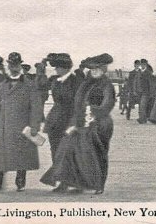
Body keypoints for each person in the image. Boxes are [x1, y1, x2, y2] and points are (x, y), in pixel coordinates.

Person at [41, 54, 116, 194]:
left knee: (99, 154)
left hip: (101, 123)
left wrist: (93, 111)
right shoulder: (86, 84)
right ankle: (78, 183)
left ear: (104, 69)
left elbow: (108, 104)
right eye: (92, 69)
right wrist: (75, 122)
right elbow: (78, 104)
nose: (94, 71)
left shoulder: (107, 85)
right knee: (78, 152)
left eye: (97, 69)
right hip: (83, 122)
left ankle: (99, 185)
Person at [0, 52, 43, 192]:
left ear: (20, 66)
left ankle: (20, 182)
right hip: (4, 127)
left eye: (16, 65)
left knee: (21, 155)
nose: (14, 68)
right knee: (0, 156)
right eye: (11, 65)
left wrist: (35, 126)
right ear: (8, 66)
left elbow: (36, 108)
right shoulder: (0, 86)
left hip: (22, 126)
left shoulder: (30, 85)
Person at [43, 53, 82, 161]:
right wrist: (42, 67)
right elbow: (39, 86)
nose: (55, 69)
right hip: (54, 122)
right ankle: (57, 174)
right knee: (55, 151)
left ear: (65, 67)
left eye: (57, 67)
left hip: (68, 122)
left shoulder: (76, 82)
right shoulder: (55, 80)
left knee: (68, 152)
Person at [134, 59, 153, 124]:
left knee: (143, 105)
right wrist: (135, 90)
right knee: (140, 105)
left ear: (146, 65)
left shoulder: (148, 73)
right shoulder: (138, 72)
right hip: (139, 92)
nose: (142, 65)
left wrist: (151, 92)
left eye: (144, 64)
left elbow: (151, 83)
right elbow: (135, 82)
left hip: (146, 92)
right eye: (141, 64)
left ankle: (142, 119)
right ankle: (142, 118)